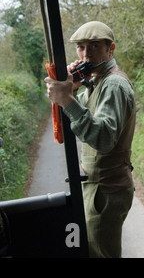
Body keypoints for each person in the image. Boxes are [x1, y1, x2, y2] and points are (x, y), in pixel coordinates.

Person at [44, 21, 136, 258]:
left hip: (106, 189)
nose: (86, 54)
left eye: (94, 47)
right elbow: (75, 125)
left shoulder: (113, 84)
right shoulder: (96, 83)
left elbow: (103, 138)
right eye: (81, 48)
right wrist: (72, 89)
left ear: (110, 48)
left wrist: (67, 99)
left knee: (100, 254)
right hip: (96, 187)